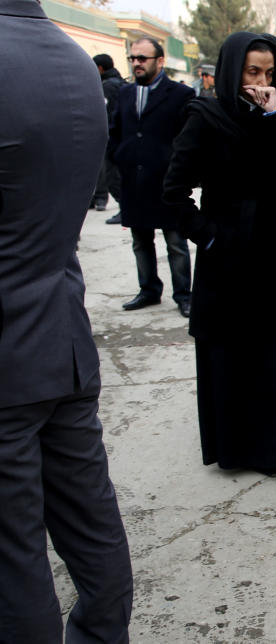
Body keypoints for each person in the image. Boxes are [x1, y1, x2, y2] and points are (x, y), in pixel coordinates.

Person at [0, 0, 134, 640]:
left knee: (14, 553)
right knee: (91, 524)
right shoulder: (75, 62)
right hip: (63, 331)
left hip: (11, 349)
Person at [163, 32, 276, 474]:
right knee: (232, 351)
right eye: (252, 71)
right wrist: (211, 236)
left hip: (273, 251)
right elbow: (173, 193)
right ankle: (238, 449)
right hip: (227, 256)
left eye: (269, 72)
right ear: (232, 70)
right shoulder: (204, 116)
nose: (260, 81)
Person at [108, 37, 195, 317]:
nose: (136, 64)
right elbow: (116, 130)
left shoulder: (180, 95)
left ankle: (184, 294)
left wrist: (180, 173)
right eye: (133, 58)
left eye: (142, 58)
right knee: (140, 241)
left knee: (176, 244)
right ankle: (148, 290)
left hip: (167, 183)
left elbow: (188, 138)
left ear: (159, 61)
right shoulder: (124, 93)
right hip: (134, 181)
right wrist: (119, 156)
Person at [92, 53, 127, 223]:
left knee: (112, 176)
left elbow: (103, 113)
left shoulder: (107, 86)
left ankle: (125, 209)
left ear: (100, 68)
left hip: (113, 137)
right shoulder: (121, 83)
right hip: (124, 136)